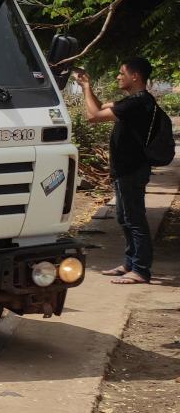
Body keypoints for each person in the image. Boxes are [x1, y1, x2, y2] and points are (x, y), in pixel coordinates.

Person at [73, 57, 158, 284]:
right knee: (124, 217)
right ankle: (130, 263)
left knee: (135, 219)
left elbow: (93, 116)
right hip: (125, 170)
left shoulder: (138, 103)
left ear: (135, 76)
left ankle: (140, 270)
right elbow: (100, 107)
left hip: (132, 169)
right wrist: (84, 86)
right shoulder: (134, 101)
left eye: (122, 73)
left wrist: (88, 87)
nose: (118, 77)